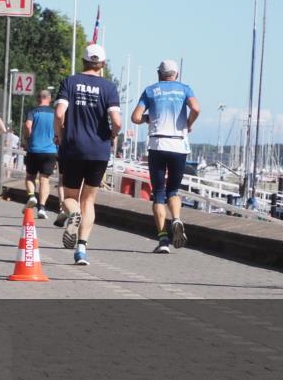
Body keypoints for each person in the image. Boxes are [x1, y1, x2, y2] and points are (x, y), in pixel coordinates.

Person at [54, 44, 122, 265]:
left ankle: (73, 216)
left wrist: (60, 135)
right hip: (98, 151)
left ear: (83, 61)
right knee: (89, 200)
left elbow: (59, 112)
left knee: (71, 198)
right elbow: (118, 121)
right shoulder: (109, 88)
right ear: (102, 64)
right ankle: (81, 249)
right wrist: (111, 135)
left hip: (73, 147)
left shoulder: (70, 82)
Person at [131, 59, 200, 253]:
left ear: (159, 74)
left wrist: (148, 118)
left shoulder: (150, 90)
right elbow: (196, 108)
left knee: (159, 193)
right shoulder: (185, 89)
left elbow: (135, 117)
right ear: (176, 74)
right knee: (174, 191)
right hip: (179, 144)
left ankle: (163, 240)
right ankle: (176, 219)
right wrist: (188, 123)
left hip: (158, 144)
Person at [24, 89, 58, 220]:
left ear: (38, 99)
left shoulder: (33, 112)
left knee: (30, 177)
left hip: (34, 149)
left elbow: (28, 125)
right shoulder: (55, 113)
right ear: (49, 99)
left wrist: (27, 137)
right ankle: (42, 208)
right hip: (50, 150)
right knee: (45, 180)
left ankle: (32, 196)